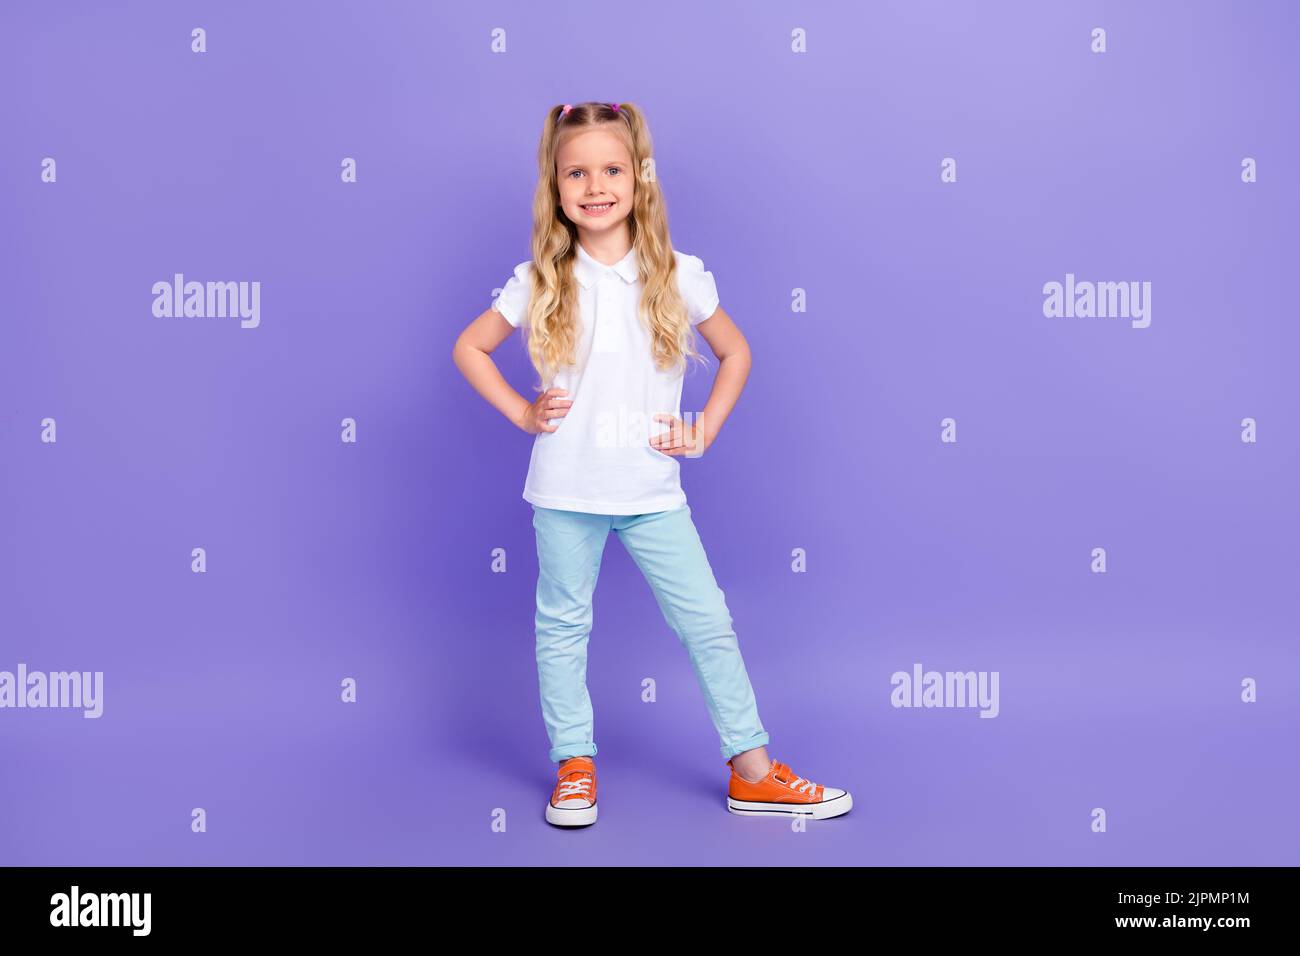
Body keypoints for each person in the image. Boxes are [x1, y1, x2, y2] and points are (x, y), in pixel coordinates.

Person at [452, 101, 851, 827]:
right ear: (556, 185)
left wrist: (704, 430)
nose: (594, 185)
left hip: (650, 492)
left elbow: (738, 353)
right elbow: (469, 347)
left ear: (640, 179)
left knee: (708, 623)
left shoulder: (676, 274)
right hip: (566, 489)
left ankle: (752, 771)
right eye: (577, 172)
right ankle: (574, 766)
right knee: (563, 626)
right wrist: (520, 412)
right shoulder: (541, 277)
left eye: (610, 169)